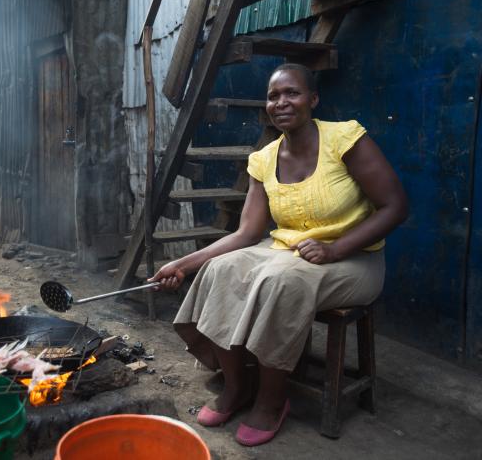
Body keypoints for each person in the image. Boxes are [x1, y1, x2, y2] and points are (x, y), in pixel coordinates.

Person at [150, 63, 408, 447]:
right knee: (222, 270)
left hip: (355, 260)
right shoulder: (265, 159)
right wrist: (184, 265)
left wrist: (335, 248)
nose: (282, 102)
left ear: (313, 99)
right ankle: (238, 387)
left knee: (281, 281)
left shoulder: (345, 140)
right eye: (273, 96)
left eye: (293, 93)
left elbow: (395, 206)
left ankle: (272, 400)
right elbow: (247, 233)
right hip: (285, 250)